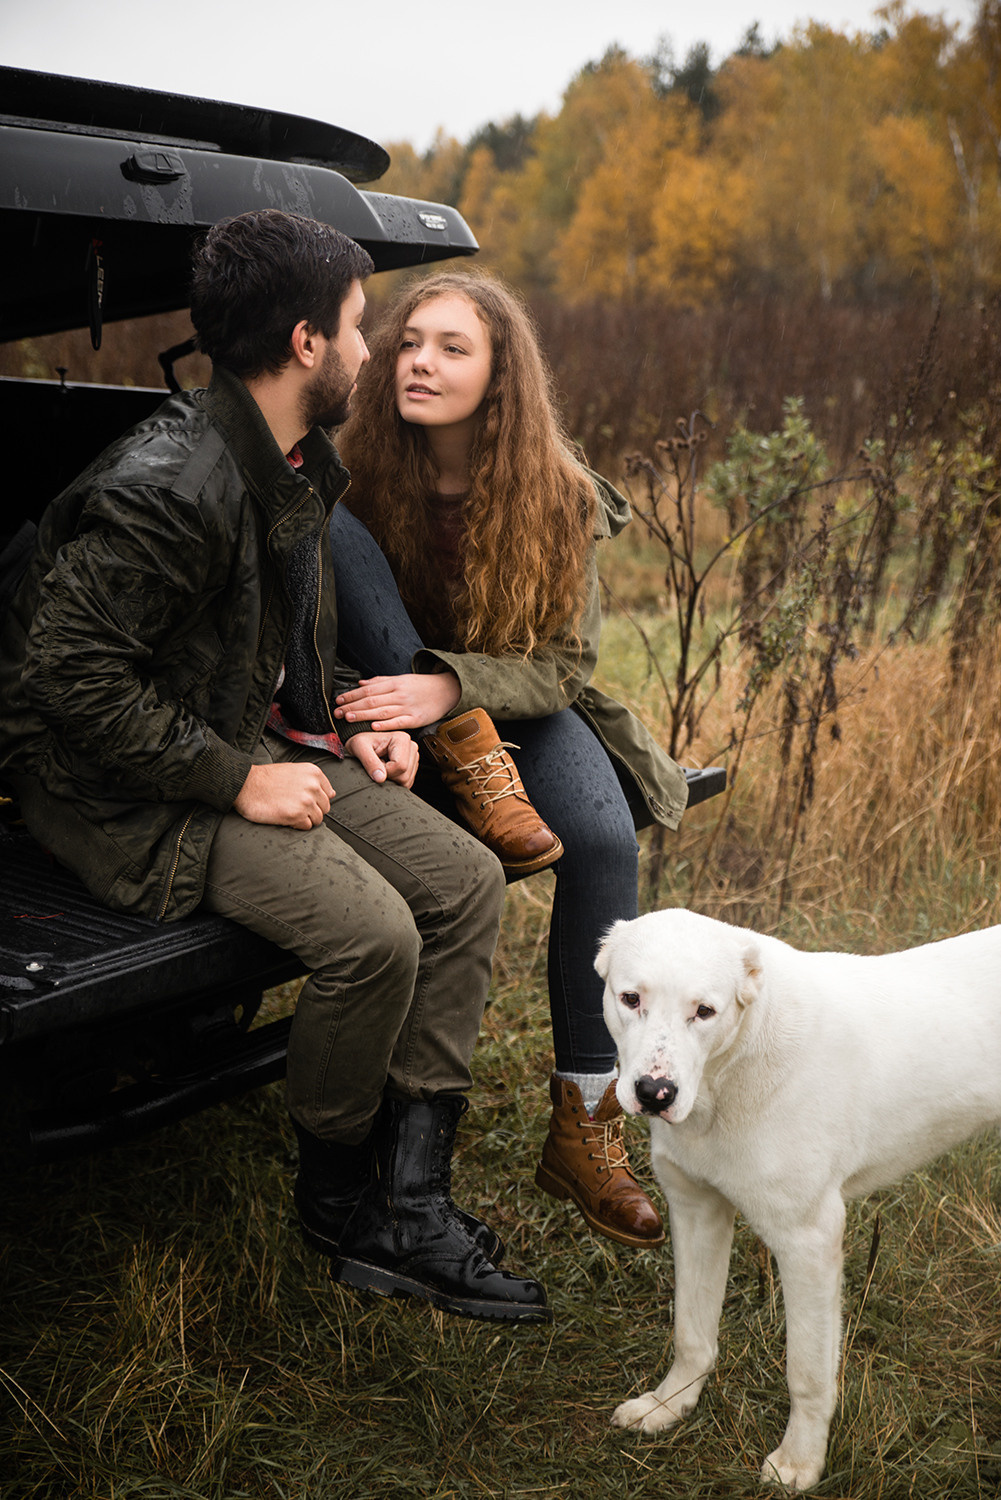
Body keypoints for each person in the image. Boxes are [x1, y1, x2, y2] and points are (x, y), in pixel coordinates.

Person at [0, 213, 549, 1324]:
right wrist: (236, 779)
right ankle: (336, 1195)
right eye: (358, 327)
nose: (372, 350)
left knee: (463, 885)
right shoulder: (173, 486)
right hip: (120, 792)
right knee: (373, 937)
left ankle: (409, 1200)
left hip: (230, 739)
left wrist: (343, 721)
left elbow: (276, 627)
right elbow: (64, 680)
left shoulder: (293, 458)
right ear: (305, 344)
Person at [332, 271, 691, 1249]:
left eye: (453, 347)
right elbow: (314, 625)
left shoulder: (554, 487)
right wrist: (387, 709)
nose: (419, 362)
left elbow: (564, 664)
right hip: (385, 704)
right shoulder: (351, 467)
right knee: (332, 526)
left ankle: (584, 1124)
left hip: (507, 702)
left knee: (600, 836)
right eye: (409, 342)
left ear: (500, 376)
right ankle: (377, 1127)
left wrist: (450, 690)